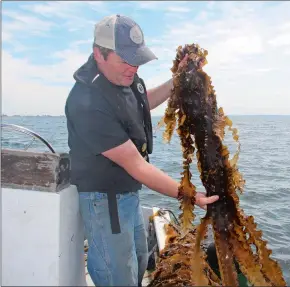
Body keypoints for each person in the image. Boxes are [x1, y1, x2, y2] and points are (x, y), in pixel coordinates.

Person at [64, 14, 219, 287]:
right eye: (125, 59)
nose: (132, 68)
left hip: (128, 194)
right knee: (117, 276)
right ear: (98, 54)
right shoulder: (86, 102)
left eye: (136, 59)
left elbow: (142, 103)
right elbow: (137, 165)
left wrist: (178, 80)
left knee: (136, 261)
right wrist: (191, 195)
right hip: (105, 201)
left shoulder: (125, 80)